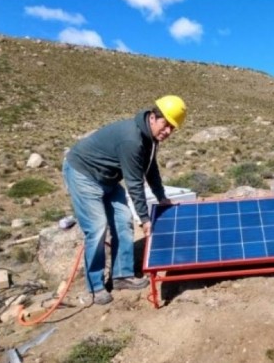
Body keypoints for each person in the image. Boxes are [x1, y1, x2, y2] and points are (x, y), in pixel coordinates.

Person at [62, 95, 187, 305]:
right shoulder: (132, 139)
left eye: (172, 128)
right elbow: (134, 183)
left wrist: (162, 197)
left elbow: (151, 170)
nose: (167, 132)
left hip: (108, 178)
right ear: (154, 117)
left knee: (123, 220)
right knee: (98, 228)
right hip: (84, 174)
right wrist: (146, 220)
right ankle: (95, 286)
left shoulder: (150, 139)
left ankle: (122, 276)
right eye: (165, 124)